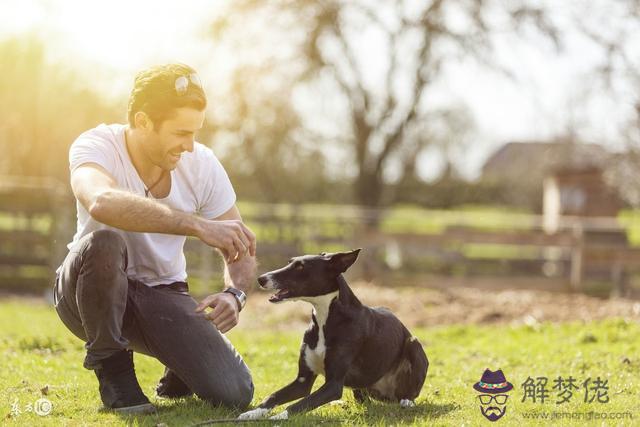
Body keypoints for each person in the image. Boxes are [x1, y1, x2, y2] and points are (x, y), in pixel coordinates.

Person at [52, 63, 257, 414]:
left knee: (234, 391)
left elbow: (241, 245)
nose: (190, 146)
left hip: (161, 295)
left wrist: (234, 293)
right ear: (143, 121)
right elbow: (101, 201)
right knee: (104, 243)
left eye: (195, 133)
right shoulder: (96, 145)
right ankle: (115, 376)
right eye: (181, 133)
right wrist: (196, 226)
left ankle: (177, 359)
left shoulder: (203, 164)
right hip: (86, 293)